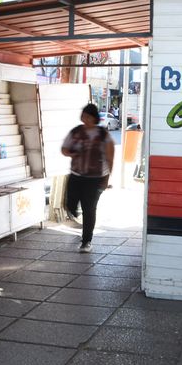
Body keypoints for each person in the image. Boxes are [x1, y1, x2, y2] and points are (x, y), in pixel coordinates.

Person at [61, 104, 115, 253]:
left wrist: (107, 179)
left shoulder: (103, 134)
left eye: (88, 116)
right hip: (76, 174)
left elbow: (110, 156)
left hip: (96, 177)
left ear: (94, 117)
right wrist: (72, 153)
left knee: (89, 209)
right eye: (83, 115)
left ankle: (86, 241)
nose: (85, 119)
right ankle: (75, 213)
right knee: (70, 203)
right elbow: (64, 149)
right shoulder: (76, 131)